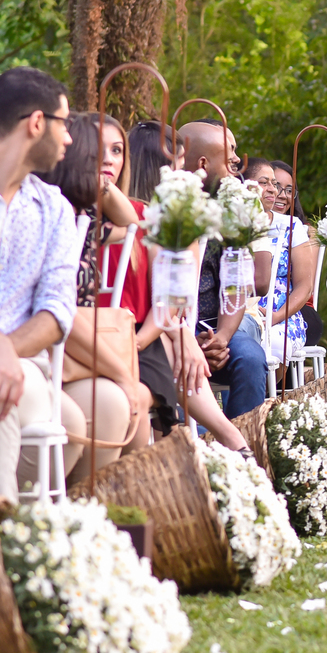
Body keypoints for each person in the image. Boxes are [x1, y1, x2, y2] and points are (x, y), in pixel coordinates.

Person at [0, 67, 81, 501]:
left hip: (21, 371)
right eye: (64, 123)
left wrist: (1, 352)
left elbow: (56, 311)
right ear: (36, 123)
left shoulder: (53, 210)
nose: (68, 138)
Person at [120, 122, 251, 451]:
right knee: (176, 349)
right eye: (178, 164)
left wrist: (193, 336)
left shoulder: (186, 221)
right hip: (134, 330)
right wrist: (182, 337)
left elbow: (179, 301)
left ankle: (212, 439)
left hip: (166, 328)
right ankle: (222, 441)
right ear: (161, 167)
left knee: (197, 349)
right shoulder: (121, 218)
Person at [36, 112, 150, 480]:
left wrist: (101, 184)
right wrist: (123, 376)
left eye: (117, 150)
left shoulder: (86, 221)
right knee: (121, 400)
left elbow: (133, 223)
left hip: (76, 350)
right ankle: (79, 509)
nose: (109, 159)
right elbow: (59, 311)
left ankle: (99, 513)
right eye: (98, 151)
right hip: (55, 347)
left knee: (130, 404)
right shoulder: (53, 214)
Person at [178, 120, 268, 418]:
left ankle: (245, 448)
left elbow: (237, 284)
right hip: (170, 329)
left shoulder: (232, 206)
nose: (236, 163)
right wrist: (186, 340)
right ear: (203, 162)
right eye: (228, 154)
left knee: (252, 359)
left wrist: (223, 338)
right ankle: (195, 447)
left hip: (217, 327)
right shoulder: (166, 204)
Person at [241, 159, 314, 364]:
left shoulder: (291, 225)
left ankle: (264, 396)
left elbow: (304, 285)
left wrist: (277, 316)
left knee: (273, 345)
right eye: (265, 183)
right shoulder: (232, 222)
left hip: (283, 315)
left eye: (275, 183)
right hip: (243, 309)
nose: (273, 190)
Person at [270, 159, 323, 350]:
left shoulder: (305, 232)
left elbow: (305, 286)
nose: (282, 195)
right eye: (276, 186)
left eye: (289, 190)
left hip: (297, 306)